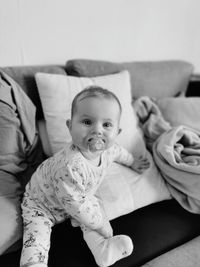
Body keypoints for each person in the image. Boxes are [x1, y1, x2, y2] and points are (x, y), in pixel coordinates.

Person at [20, 86, 150, 267]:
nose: (97, 131)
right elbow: (77, 207)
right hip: (41, 204)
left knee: (94, 208)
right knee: (36, 239)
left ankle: (103, 250)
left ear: (117, 133)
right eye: (87, 122)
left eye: (106, 125)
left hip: (80, 197)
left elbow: (119, 152)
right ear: (70, 126)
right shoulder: (70, 165)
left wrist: (132, 162)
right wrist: (101, 224)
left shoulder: (108, 149)